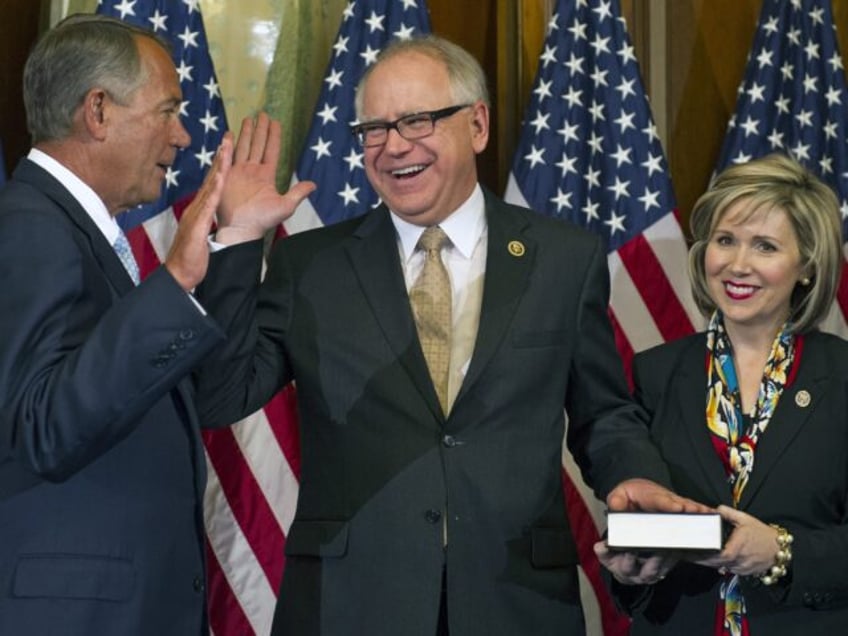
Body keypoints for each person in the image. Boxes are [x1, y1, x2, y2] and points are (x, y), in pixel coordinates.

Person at [195, 34, 707, 636]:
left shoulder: (563, 259)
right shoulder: (310, 265)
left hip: (515, 600)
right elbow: (221, 394)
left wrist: (633, 477)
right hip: (349, 605)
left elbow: (604, 413)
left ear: (478, 125)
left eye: (416, 120)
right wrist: (235, 242)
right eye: (374, 130)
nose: (393, 147)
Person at [0, 14, 311, 635]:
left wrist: (239, 237)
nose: (183, 135)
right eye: (167, 110)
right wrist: (170, 285)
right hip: (77, 615)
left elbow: (194, 394)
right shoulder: (31, 226)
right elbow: (44, 424)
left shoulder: (77, 229)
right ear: (98, 112)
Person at [596, 153, 848, 634]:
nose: (737, 264)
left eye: (765, 247)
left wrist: (778, 552)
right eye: (725, 240)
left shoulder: (841, 377)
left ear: (807, 267)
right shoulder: (656, 372)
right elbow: (643, 521)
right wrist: (630, 572)